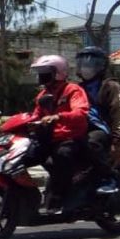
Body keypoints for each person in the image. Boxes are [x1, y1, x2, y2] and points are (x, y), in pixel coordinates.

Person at [26, 55, 89, 209]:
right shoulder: (42, 95)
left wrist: (58, 116)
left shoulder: (73, 90)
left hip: (70, 137)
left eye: (45, 72)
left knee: (62, 155)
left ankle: (62, 194)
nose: (41, 76)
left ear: (58, 72)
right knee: (27, 155)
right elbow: (36, 115)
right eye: (40, 72)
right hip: (49, 139)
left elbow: (81, 112)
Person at [75, 46, 120, 194]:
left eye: (91, 64)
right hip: (85, 130)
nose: (86, 67)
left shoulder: (110, 86)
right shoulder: (78, 88)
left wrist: (117, 139)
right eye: (83, 63)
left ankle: (109, 178)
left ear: (101, 66)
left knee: (91, 143)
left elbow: (119, 111)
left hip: (106, 133)